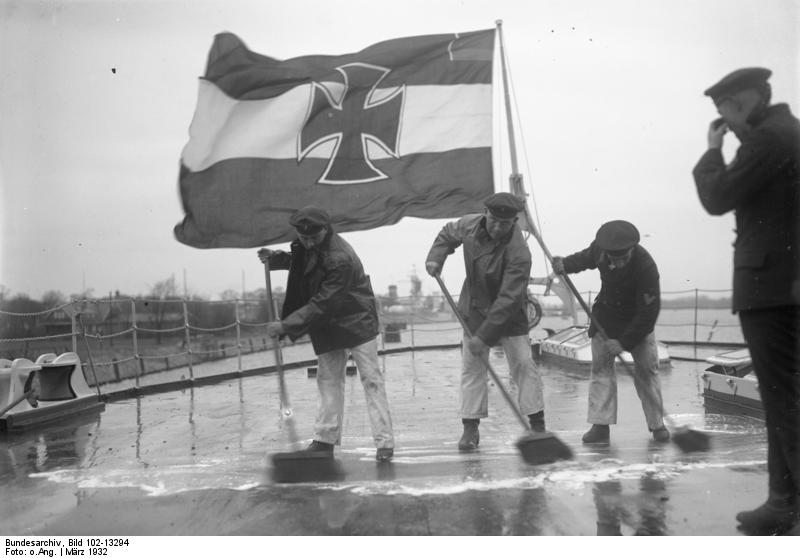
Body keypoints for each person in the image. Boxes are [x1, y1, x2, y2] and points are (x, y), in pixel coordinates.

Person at [693, 67, 800, 535]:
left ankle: (787, 503)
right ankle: (782, 504)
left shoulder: (769, 140)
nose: (727, 124)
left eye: (726, 112)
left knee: (787, 402)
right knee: (782, 400)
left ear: (746, 100)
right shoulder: (787, 134)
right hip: (784, 285)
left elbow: (717, 196)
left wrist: (712, 152)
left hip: (772, 290)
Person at [258, 206, 395, 462]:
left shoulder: (340, 257)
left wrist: (287, 325)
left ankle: (384, 443)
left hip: (356, 320)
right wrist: (276, 259)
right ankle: (324, 440)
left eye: (314, 237)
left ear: (325, 229)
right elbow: (305, 263)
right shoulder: (306, 245)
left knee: (371, 380)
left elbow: (324, 302)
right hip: (328, 322)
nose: (308, 243)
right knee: (328, 379)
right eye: (304, 237)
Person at [425, 192, 546, 451]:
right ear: (485, 213)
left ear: (514, 221)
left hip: (510, 315)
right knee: (472, 369)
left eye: (505, 223)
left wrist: (485, 336)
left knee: (523, 365)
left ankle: (537, 425)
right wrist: (436, 257)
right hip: (474, 309)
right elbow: (447, 233)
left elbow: (508, 298)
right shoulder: (469, 225)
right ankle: (470, 428)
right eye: (493, 220)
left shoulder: (520, 253)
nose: (497, 227)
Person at [552, 220, 669, 444]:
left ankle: (658, 426)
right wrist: (564, 264)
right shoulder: (599, 249)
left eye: (625, 258)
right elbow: (584, 259)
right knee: (601, 371)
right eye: (615, 259)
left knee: (647, 371)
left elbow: (648, 312)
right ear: (605, 251)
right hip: (605, 320)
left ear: (632, 249)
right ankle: (600, 426)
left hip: (637, 323)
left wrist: (624, 342)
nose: (620, 262)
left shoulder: (646, 266)